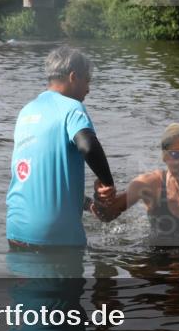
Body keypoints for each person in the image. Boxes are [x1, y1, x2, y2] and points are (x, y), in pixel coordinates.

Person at [6, 46, 117, 249]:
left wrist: (87, 204)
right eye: (87, 81)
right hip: (56, 238)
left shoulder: (26, 111)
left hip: (16, 231)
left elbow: (42, 178)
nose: (88, 90)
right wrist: (108, 185)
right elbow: (88, 145)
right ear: (73, 77)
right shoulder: (71, 107)